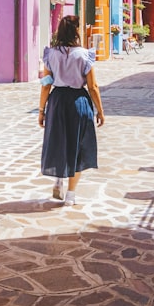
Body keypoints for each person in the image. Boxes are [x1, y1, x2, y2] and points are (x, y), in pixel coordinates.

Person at [37, 15, 105, 206]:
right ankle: (71, 195)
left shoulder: (51, 55)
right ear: (76, 31)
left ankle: (59, 178)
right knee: (78, 146)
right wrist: (100, 110)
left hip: (57, 101)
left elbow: (45, 84)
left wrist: (42, 110)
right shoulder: (84, 55)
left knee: (58, 140)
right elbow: (93, 87)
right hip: (78, 101)